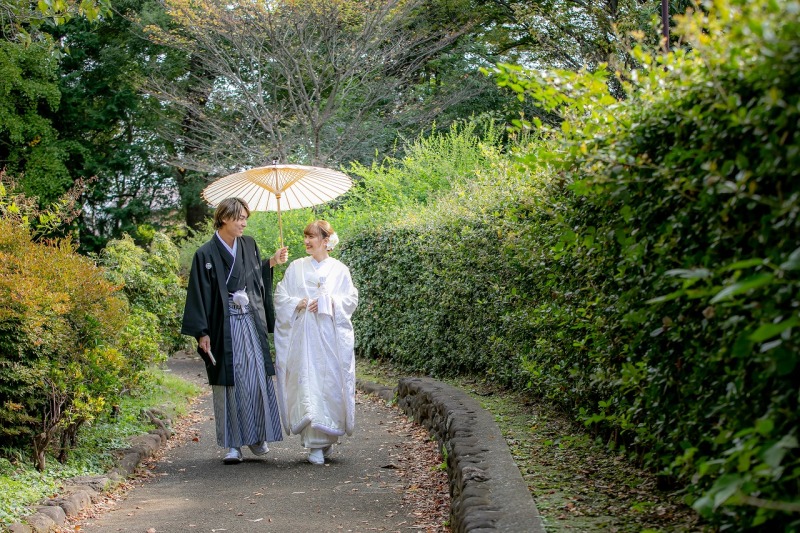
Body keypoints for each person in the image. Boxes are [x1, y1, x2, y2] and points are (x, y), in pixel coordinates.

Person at [181, 197, 288, 464]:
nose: (244, 223)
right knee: (229, 382)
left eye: (245, 219)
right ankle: (233, 444)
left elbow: (253, 275)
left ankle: (257, 437)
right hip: (223, 325)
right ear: (224, 217)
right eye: (240, 218)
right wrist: (202, 332)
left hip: (249, 319)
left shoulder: (249, 244)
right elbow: (199, 293)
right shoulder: (205, 253)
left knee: (255, 378)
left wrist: (271, 262)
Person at [273, 220, 359, 465]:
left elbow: (351, 299)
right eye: (306, 236)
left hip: (328, 337)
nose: (307, 241)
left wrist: (330, 301)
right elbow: (280, 295)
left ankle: (326, 437)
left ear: (325, 240)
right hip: (304, 338)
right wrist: (297, 303)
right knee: (306, 382)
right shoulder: (296, 267)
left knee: (329, 383)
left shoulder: (339, 269)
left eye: (312, 237)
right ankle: (314, 444)